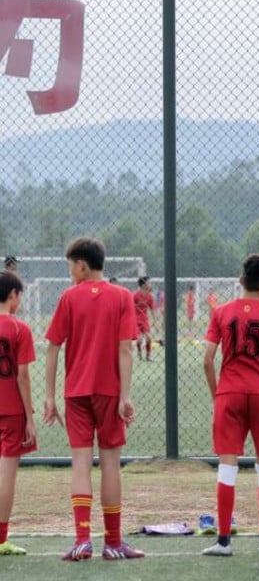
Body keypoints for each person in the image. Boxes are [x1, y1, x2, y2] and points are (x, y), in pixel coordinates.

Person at [43, 237, 143, 561]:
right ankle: (113, 543)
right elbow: (125, 349)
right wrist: (124, 396)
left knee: (80, 463)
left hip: (76, 392)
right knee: (111, 463)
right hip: (110, 391)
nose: (70, 272)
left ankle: (82, 540)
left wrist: (49, 396)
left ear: (82, 265)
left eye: (70, 266)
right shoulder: (122, 296)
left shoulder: (69, 297)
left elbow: (54, 347)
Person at [201, 253, 259, 557]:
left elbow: (207, 360)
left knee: (228, 465)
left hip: (230, 392)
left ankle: (224, 541)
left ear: (241, 281)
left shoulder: (222, 312)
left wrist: (218, 394)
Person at [0, 270, 36, 555]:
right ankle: (1, 539)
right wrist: (30, 418)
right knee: (7, 474)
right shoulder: (19, 329)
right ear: (13, 295)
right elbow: (22, 377)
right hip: (11, 410)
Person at [133, 277, 155, 362]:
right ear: (143, 285)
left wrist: (155, 322)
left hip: (144, 320)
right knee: (139, 339)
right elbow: (130, 307)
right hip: (136, 320)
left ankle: (148, 355)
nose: (150, 284)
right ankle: (139, 352)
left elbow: (152, 310)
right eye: (149, 283)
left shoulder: (149, 296)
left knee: (149, 338)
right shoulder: (135, 295)